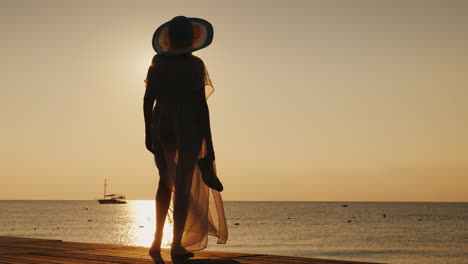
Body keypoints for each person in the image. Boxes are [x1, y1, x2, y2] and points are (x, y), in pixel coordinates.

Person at [144, 16, 228, 263]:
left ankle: (157, 241)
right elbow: (201, 106)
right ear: (191, 39)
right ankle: (177, 245)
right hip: (188, 122)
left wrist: (148, 131)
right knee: (183, 184)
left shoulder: (157, 62)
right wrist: (209, 145)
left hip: (162, 122)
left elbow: (148, 99)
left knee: (164, 182)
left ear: (169, 37)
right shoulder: (195, 65)